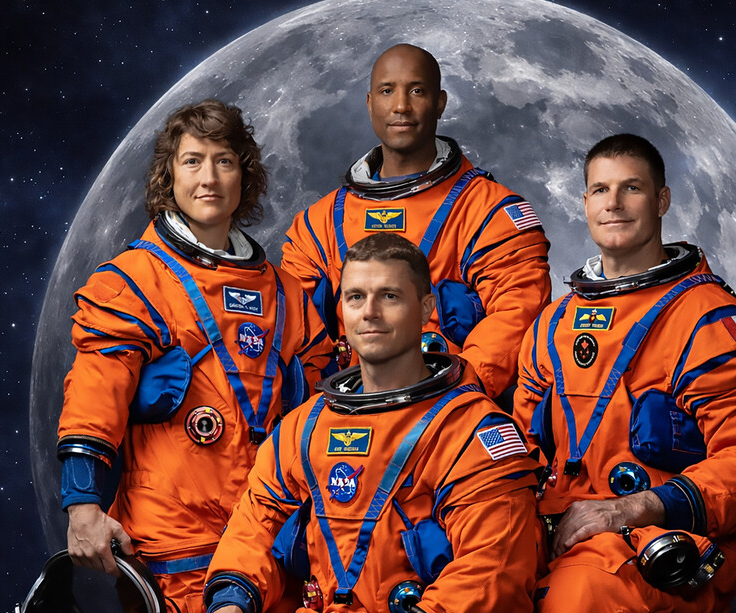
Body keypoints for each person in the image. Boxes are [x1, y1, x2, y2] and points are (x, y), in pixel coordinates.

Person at [56, 99, 333, 613]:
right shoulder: (133, 283)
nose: (209, 177)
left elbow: (323, 421)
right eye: (192, 161)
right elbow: (95, 396)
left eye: (224, 161)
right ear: (170, 175)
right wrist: (83, 505)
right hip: (175, 547)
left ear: (243, 176)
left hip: (274, 541)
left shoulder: (288, 298)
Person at [513, 134, 736, 611]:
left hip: (660, 534)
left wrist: (634, 507)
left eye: (631, 188)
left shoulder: (710, 323)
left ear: (662, 200)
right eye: (600, 190)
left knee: (575, 599)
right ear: (584, 203)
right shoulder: (552, 323)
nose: (613, 203)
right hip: (560, 522)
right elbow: (520, 444)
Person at [205, 233, 542, 613]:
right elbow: (254, 526)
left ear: (425, 306)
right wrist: (230, 604)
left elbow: (493, 570)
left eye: (389, 296)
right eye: (355, 297)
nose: (369, 312)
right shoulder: (305, 427)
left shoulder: (472, 430)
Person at [281, 43, 551, 399]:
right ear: (369, 103)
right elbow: (292, 327)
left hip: (447, 411)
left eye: (417, 91)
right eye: (387, 91)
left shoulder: (490, 212)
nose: (401, 106)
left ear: (440, 102)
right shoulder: (319, 224)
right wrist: (328, 403)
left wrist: (449, 396)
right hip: (344, 411)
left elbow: (517, 314)